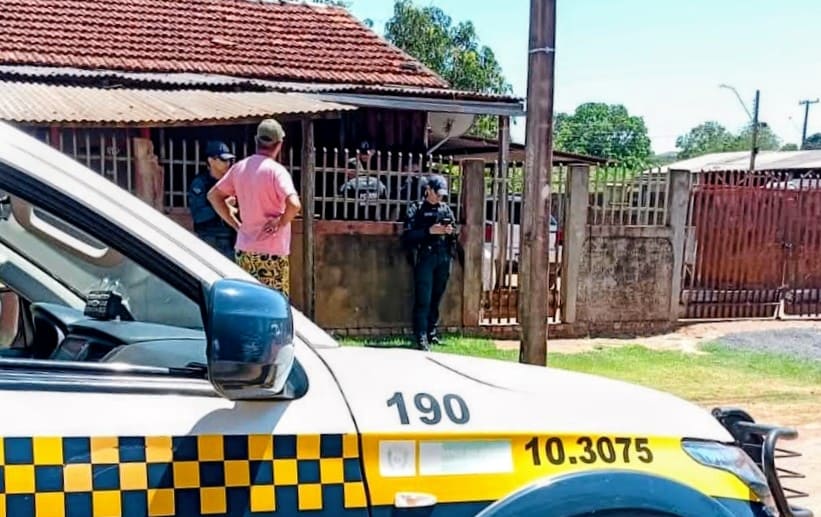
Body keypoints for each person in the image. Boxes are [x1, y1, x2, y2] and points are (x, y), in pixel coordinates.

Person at [207, 119, 302, 296]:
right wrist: (280, 222)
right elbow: (294, 205)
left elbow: (213, 196)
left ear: (256, 140)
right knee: (273, 305)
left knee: (249, 302)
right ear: (279, 144)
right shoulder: (277, 171)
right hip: (273, 253)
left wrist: (236, 224)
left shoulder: (239, 168)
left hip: (245, 251)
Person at [401, 174, 457, 351]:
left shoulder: (446, 209)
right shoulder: (416, 209)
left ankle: (432, 332)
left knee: (436, 296)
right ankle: (421, 335)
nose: (440, 197)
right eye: (437, 193)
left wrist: (449, 231)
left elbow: (455, 233)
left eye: (442, 195)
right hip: (425, 257)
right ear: (428, 190)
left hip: (443, 257)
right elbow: (408, 235)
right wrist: (429, 231)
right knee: (423, 298)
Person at [187, 140, 237, 260]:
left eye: (229, 160)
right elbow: (198, 215)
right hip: (210, 238)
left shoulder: (231, 182)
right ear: (211, 160)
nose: (228, 163)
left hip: (232, 238)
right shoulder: (200, 183)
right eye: (223, 160)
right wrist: (221, 205)